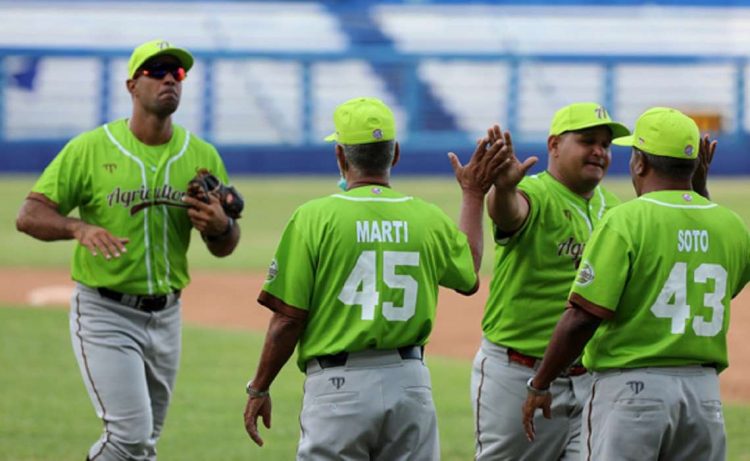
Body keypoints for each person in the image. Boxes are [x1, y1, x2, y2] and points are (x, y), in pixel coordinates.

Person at [242, 96, 505, 460]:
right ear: (394, 154)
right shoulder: (425, 217)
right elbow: (469, 272)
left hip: (338, 387)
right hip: (410, 383)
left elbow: (288, 317)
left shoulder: (314, 217)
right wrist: (473, 193)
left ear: (340, 155)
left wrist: (259, 387)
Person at [15, 39, 240, 461]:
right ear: (131, 86)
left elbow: (226, 245)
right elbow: (29, 214)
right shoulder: (91, 149)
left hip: (168, 315)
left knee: (143, 446)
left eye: (177, 73)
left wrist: (221, 227)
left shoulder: (201, 156)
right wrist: (76, 226)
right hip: (106, 312)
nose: (170, 79)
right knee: (129, 437)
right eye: (156, 72)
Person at [522, 107, 749, 461]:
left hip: (632, 391)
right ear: (695, 165)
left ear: (640, 163)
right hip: (704, 396)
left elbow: (584, 316)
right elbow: (720, 287)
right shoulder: (729, 224)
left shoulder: (624, 220)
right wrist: (698, 189)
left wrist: (541, 381)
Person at [471, 102, 631, 460]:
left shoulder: (615, 208)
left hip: (590, 379)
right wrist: (504, 189)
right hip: (517, 374)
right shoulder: (536, 194)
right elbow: (509, 213)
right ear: (554, 145)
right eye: (588, 140)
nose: (599, 151)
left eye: (605, 145)